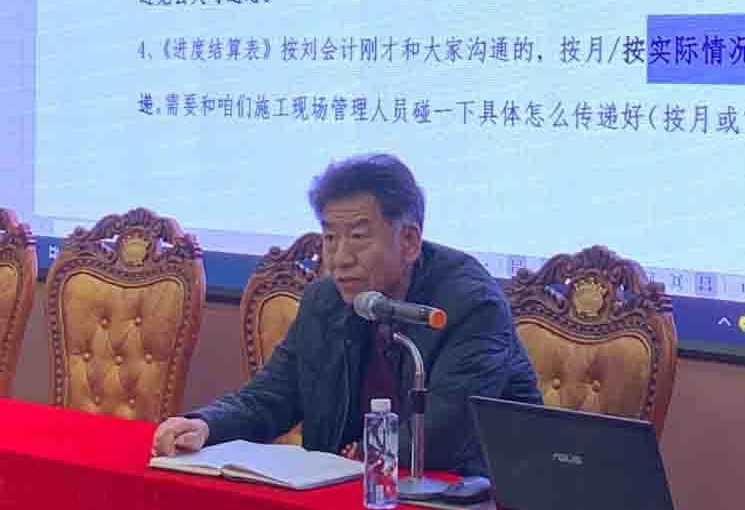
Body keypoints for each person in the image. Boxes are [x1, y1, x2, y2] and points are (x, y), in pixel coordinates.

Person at [152, 153, 542, 476]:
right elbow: (271, 396)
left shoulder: (470, 305)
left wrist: (353, 458)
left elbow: (442, 439)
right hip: (354, 489)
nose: (339, 258)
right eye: (329, 237)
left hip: (468, 494)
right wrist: (206, 425)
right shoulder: (325, 300)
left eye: (357, 237)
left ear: (408, 241)